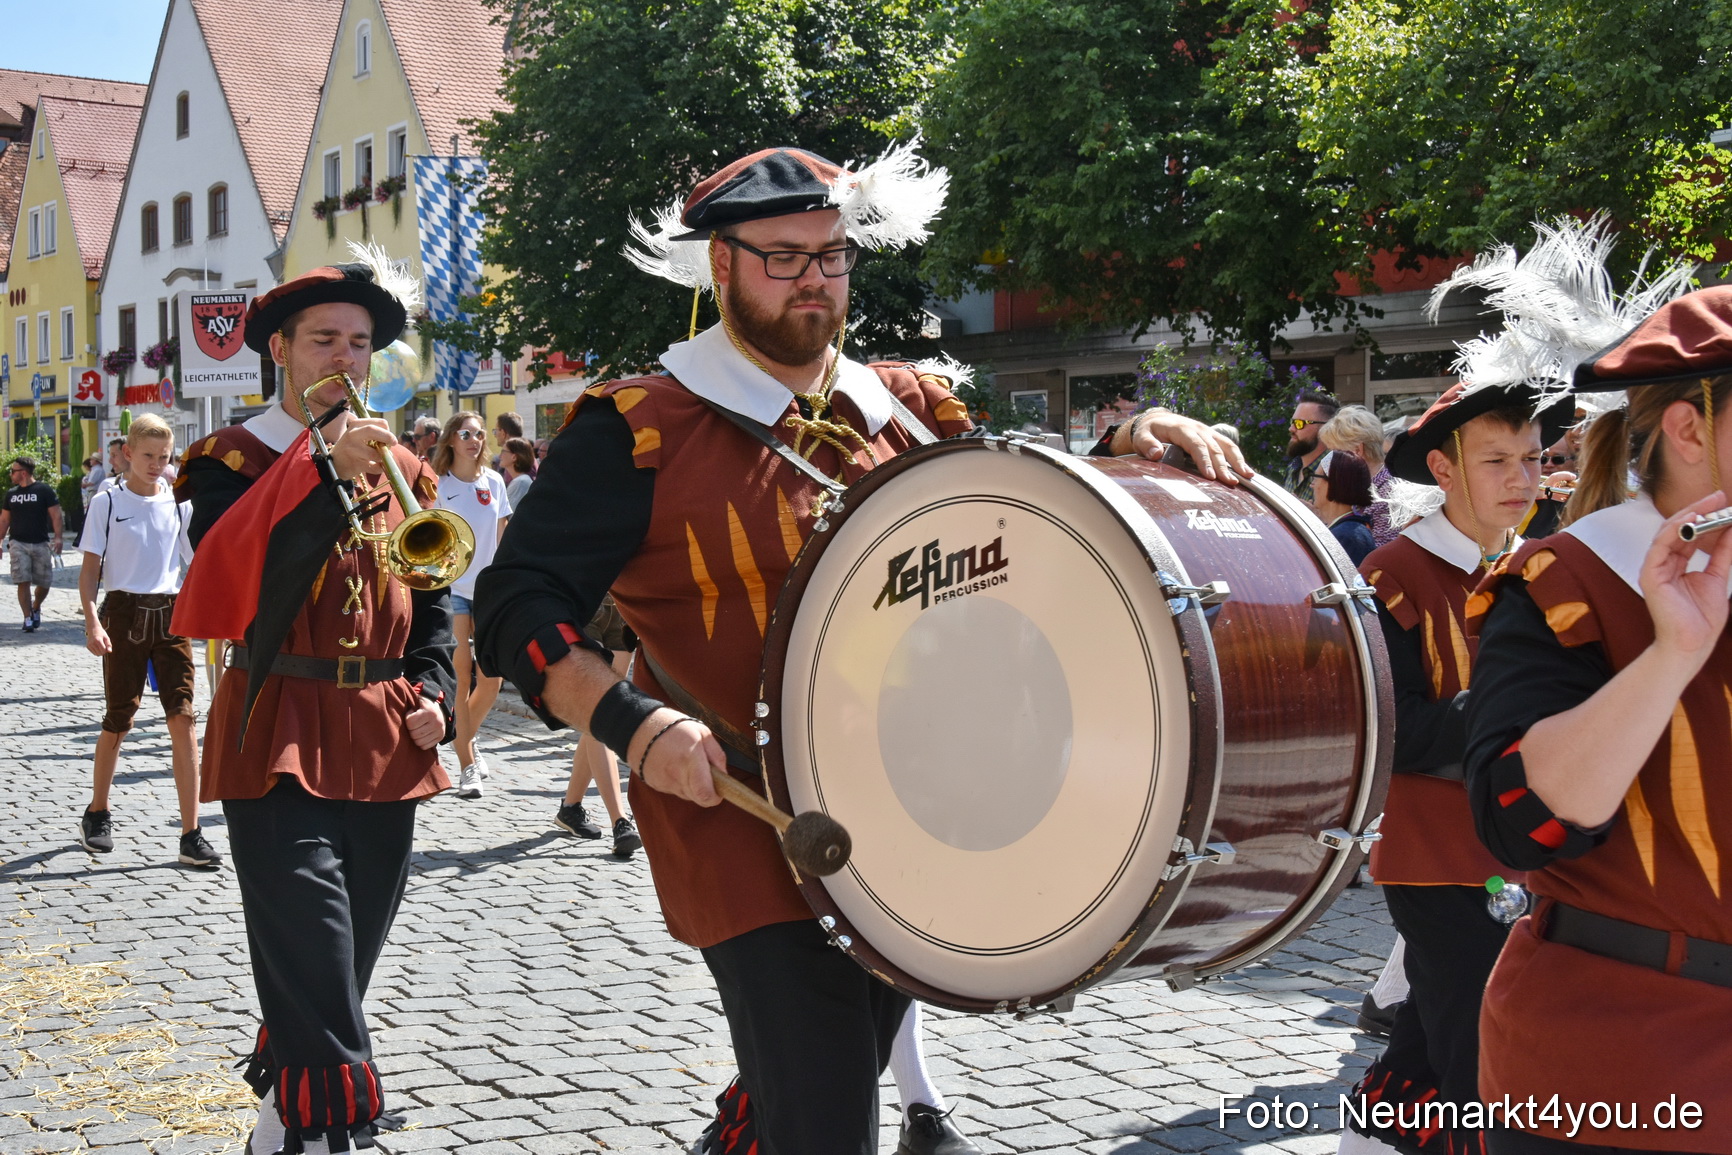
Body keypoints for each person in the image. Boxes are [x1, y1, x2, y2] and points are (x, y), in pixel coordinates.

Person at [475, 143, 1249, 1155]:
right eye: (783, 257)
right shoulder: (637, 428)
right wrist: (633, 723)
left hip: (915, 815)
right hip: (746, 814)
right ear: (722, 264)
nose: (814, 279)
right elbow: (514, 607)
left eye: (832, 255)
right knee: (829, 1110)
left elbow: (1025, 515)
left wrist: (1124, 446)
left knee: (825, 1074)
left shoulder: (912, 408)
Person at [172, 251, 455, 1155]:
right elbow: (238, 576)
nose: (344, 357)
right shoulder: (228, 460)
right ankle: (336, 1128)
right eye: (324, 339)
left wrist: (438, 693)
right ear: (281, 351)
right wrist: (322, 462)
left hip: (383, 731)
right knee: (314, 947)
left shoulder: (402, 464)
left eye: (359, 343)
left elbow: (433, 602)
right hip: (276, 721)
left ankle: (279, 1122)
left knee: (342, 963)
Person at [1464, 286, 1732, 1155]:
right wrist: (1670, 655)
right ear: (1690, 430)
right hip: (1621, 1069)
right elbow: (1517, 821)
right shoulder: (1570, 579)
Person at [1342, 374, 1566, 1155]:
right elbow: (1392, 726)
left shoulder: (1538, 566)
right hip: (1434, 853)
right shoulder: (1391, 572)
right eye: (1497, 460)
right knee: (1480, 1050)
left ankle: (1368, 1141)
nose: (1522, 478)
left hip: (1519, 850)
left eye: (1532, 458)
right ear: (1443, 468)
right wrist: (1515, 703)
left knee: (1433, 1036)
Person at [76, 415, 216, 868]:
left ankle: (191, 833)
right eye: (149, 455)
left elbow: (194, 565)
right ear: (128, 454)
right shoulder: (107, 501)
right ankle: (97, 812)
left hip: (171, 615)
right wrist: (93, 623)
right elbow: (90, 571)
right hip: (123, 614)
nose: (157, 464)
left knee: (184, 717)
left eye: (165, 456)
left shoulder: (178, 504)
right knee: (120, 718)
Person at [432, 410, 512, 799]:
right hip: (453, 589)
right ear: (450, 439)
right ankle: (467, 766)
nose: (474, 440)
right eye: (465, 434)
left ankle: (466, 737)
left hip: (489, 590)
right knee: (461, 676)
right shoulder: (438, 483)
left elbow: (502, 536)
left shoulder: (494, 481)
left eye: (479, 434)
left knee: (492, 678)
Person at [552, 595, 641, 857]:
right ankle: (619, 821)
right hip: (585, 604)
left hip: (623, 605)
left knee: (603, 711)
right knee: (600, 712)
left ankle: (571, 807)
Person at [1, 456, 64, 632]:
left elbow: (56, 515)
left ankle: (36, 606)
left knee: (44, 583)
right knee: (23, 580)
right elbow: (4, 520)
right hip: (17, 543)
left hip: (40, 543)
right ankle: (27, 617)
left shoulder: (43, 490)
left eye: (13, 471)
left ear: (23, 473)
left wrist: (58, 537)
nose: (11, 474)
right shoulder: (11, 494)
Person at [1322, 405, 1399, 545]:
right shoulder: (1362, 487)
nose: (1330, 459)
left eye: (1335, 452)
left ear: (1357, 450)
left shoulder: (1387, 495)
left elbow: (1376, 553)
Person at [1310, 450, 1377, 565]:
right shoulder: (1347, 531)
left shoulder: (1347, 537)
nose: (1312, 485)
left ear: (1332, 483)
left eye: (1315, 478)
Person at [1284, 388, 1339, 496]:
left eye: (1299, 423)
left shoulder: (1335, 475)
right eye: (1292, 422)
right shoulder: (1293, 468)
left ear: (1325, 428)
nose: (1291, 429)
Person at [500, 436, 536, 511]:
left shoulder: (520, 483)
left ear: (514, 457)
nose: (500, 455)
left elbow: (509, 515)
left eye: (503, 451)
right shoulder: (520, 481)